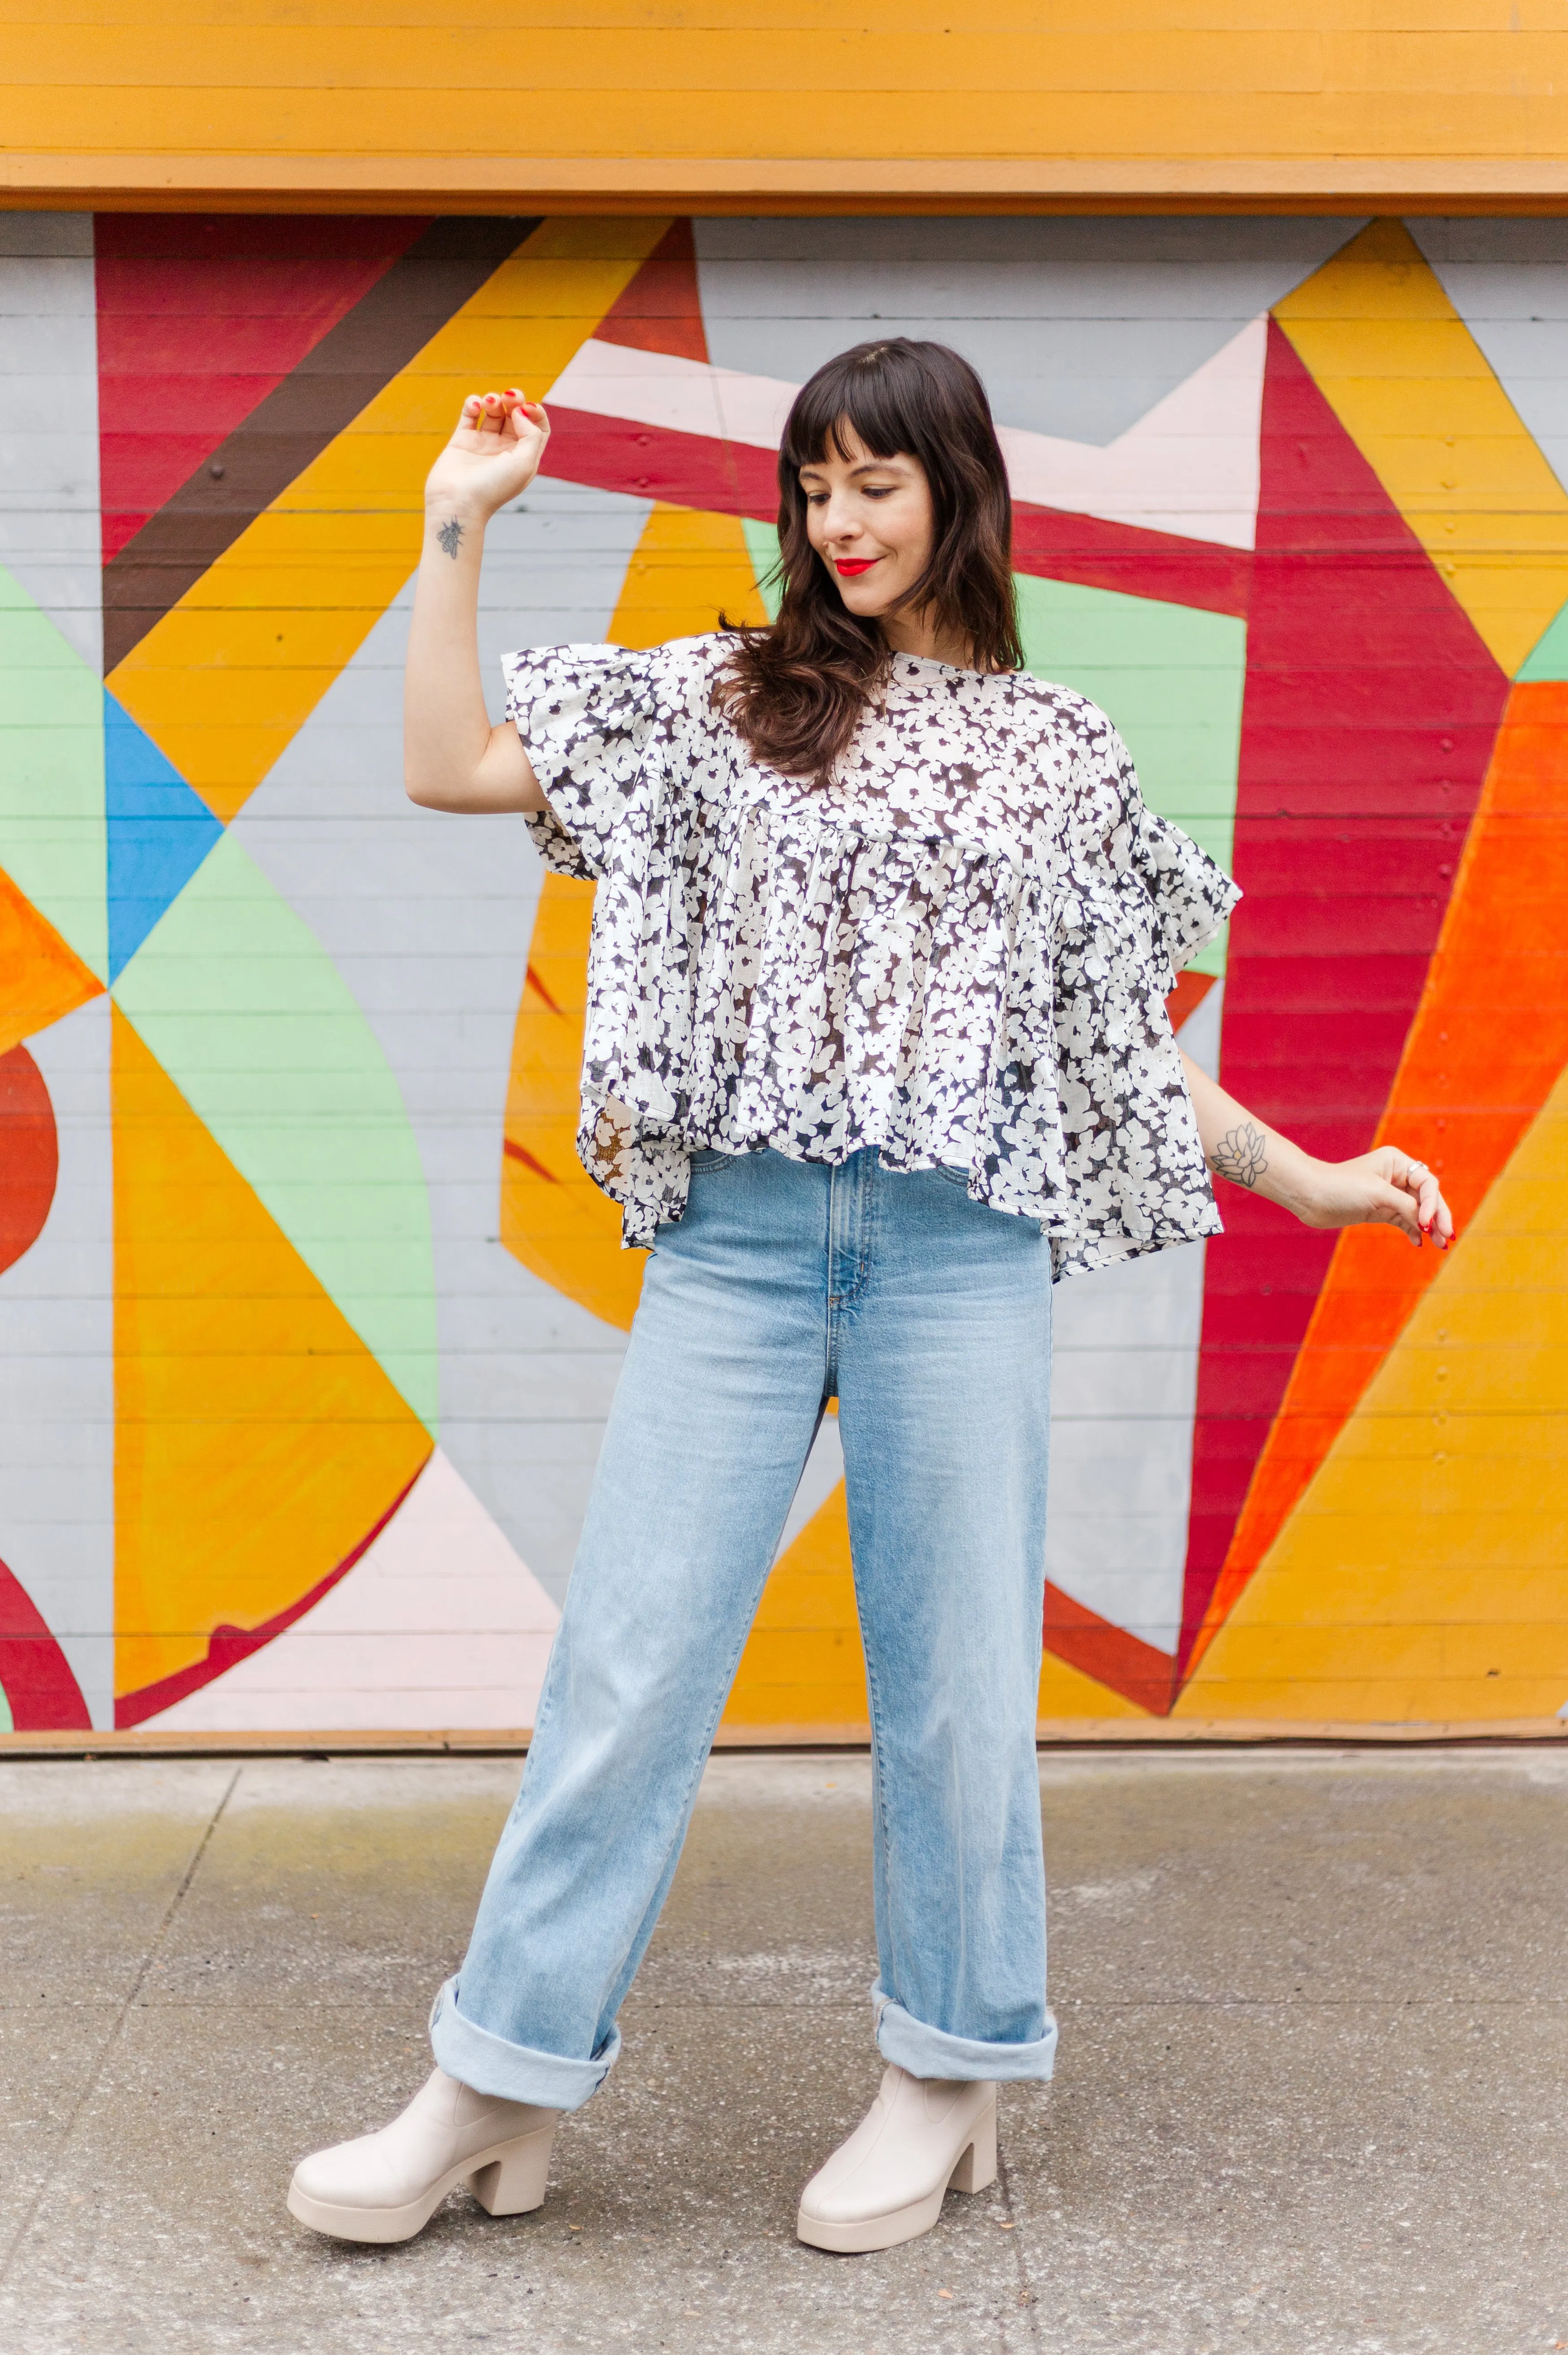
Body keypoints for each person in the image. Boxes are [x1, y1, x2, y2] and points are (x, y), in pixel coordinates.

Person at [287, 339, 1453, 2256]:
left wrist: (1303, 1174)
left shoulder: (1059, 750)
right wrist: (450, 526)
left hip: (954, 1246)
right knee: (631, 1663)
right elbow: (446, 764)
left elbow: (1119, 1045)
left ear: (962, 491)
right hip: (740, 1240)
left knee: (958, 1685)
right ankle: (493, 2077)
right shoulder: (732, 694)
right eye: (815, 484)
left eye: (876, 482)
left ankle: (953, 2065)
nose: (838, 520)